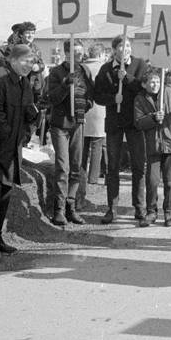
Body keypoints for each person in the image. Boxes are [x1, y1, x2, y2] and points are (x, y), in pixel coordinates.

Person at [0, 44, 38, 262]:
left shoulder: (23, 81)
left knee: (5, 194)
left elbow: (27, 110)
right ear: (13, 59)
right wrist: (7, 136)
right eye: (25, 61)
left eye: (31, 62)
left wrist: (32, 119)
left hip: (13, 148)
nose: (29, 65)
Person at [93, 35, 147, 224]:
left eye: (129, 46)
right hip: (114, 123)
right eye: (122, 46)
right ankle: (112, 208)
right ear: (114, 49)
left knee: (139, 165)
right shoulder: (106, 69)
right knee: (112, 166)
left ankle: (140, 208)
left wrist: (128, 78)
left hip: (135, 122)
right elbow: (97, 95)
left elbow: (145, 89)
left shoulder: (140, 65)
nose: (126, 50)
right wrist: (111, 99)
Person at [46, 38, 94, 226]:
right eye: (75, 53)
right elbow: (53, 98)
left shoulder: (85, 71)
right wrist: (66, 85)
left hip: (78, 123)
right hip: (60, 124)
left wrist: (86, 104)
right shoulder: (56, 72)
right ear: (67, 53)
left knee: (76, 166)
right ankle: (58, 209)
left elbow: (91, 94)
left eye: (81, 53)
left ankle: (70, 206)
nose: (79, 56)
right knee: (63, 167)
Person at [134, 68, 171, 226]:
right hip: (153, 146)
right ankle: (151, 211)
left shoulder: (169, 92)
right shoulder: (140, 99)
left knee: (170, 181)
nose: (155, 84)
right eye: (151, 81)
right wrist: (152, 118)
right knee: (152, 181)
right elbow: (138, 122)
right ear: (144, 84)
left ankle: (169, 211)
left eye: (157, 81)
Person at [78, 43, 107, 209]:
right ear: (101, 54)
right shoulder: (103, 68)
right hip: (99, 110)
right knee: (97, 145)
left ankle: (81, 177)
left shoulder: (81, 67)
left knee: (82, 148)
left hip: (83, 109)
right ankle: (93, 178)